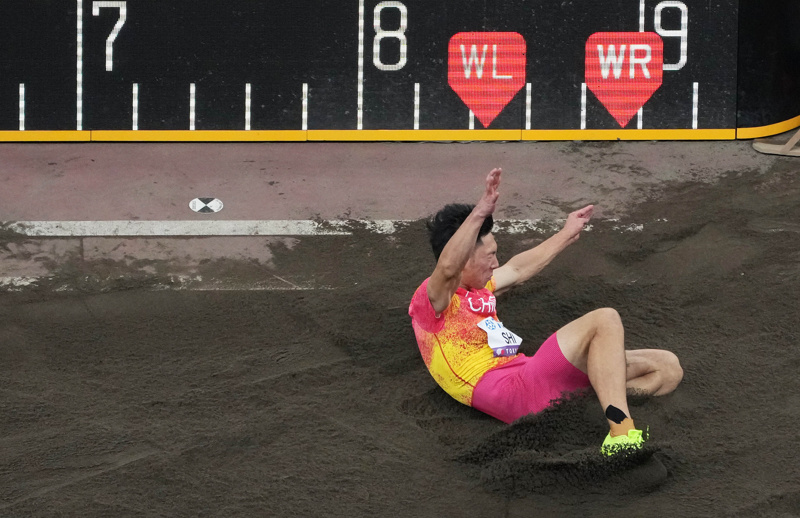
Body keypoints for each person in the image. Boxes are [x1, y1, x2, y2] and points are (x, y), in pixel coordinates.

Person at [408, 168, 683, 455]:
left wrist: (566, 234)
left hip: (535, 382)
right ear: (463, 257)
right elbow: (447, 268)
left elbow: (518, 269)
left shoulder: (479, 287)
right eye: (490, 255)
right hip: (514, 391)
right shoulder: (432, 302)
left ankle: (585, 406)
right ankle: (622, 434)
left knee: (667, 368)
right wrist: (479, 212)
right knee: (605, 319)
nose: (496, 262)